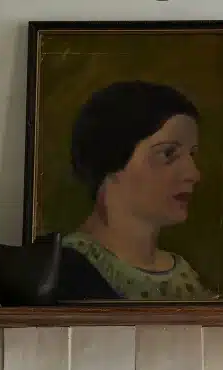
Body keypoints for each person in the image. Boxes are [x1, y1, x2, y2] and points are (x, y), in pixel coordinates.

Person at [57, 80, 214, 301]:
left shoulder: (184, 276)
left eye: (192, 155)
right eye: (168, 154)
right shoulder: (68, 269)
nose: (193, 174)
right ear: (111, 159)